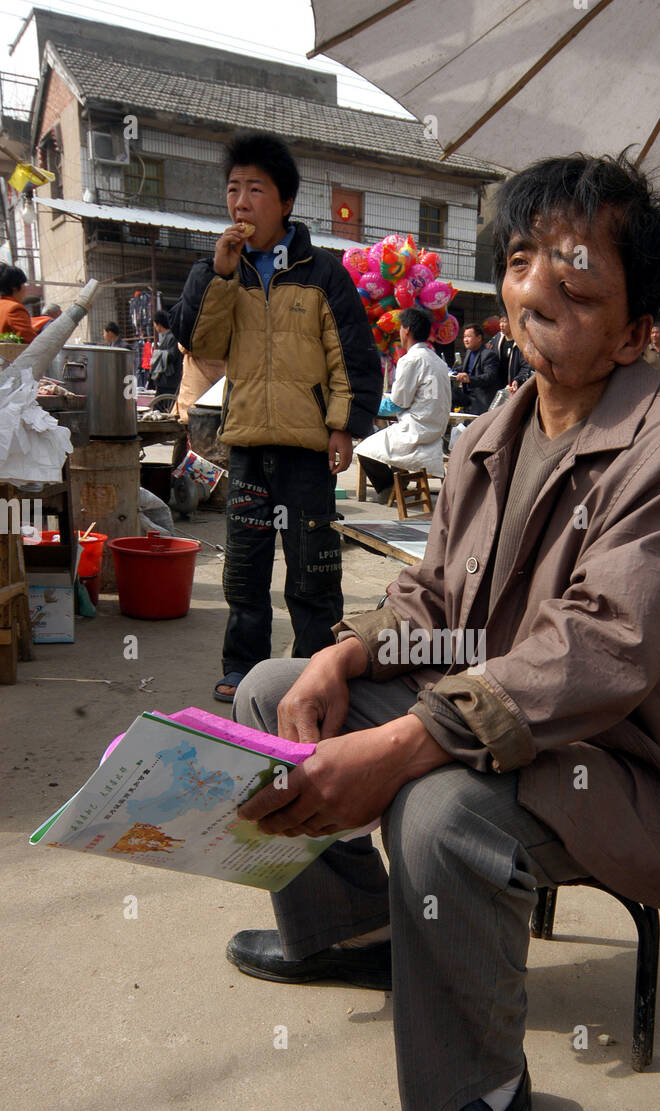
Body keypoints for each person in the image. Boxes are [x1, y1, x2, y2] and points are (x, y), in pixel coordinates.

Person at [228, 152, 660, 1111]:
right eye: (520, 262)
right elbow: (435, 601)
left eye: (578, 278)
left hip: (619, 766)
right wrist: (345, 658)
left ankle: (480, 1096)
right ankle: (347, 926)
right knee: (269, 689)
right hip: (489, 717)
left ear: (639, 330)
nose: (537, 291)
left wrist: (414, 739)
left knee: (439, 810)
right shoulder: (493, 431)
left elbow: (602, 648)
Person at [172, 132, 381, 703]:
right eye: (233, 189)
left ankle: (313, 667)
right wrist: (216, 276)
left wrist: (344, 425)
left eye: (255, 189)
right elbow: (197, 341)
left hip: (307, 452)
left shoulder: (323, 273)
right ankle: (242, 667)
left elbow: (353, 357)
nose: (240, 203)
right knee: (244, 567)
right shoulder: (222, 273)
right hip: (247, 450)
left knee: (314, 568)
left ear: (285, 202)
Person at [354, 307, 452, 503]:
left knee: (363, 449)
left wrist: (371, 405)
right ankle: (398, 484)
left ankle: (389, 487)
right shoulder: (438, 361)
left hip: (415, 429)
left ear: (406, 330)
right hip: (435, 429)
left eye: (400, 328)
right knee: (381, 442)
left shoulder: (411, 359)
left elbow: (398, 402)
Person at [451, 323, 499, 412]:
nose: (465, 340)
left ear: (479, 338)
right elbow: (467, 368)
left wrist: (470, 379)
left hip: (480, 399)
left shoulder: (488, 354)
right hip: (467, 395)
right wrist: (452, 371)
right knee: (448, 394)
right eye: (464, 337)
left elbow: (489, 377)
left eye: (469, 336)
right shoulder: (469, 352)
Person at [488, 310, 531, 391]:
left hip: (513, 387)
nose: (501, 325)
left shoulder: (520, 342)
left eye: (505, 322)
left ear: (512, 322)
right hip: (496, 386)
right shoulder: (496, 338)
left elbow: (526, 366)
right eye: (500, 322)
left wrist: (518, 379)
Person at [149, 311, 182, 398]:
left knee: (163, 405)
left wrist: (157, 354)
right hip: (165, 380)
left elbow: (172, 355)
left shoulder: (172, 337)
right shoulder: (167, 336)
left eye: (155, 324)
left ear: (159, 324)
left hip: (169, 380)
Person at [0, 264, 35, 343]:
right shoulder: (14, 308)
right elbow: (29, 341)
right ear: (14, 287)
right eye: (24, 284)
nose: (25, 288)